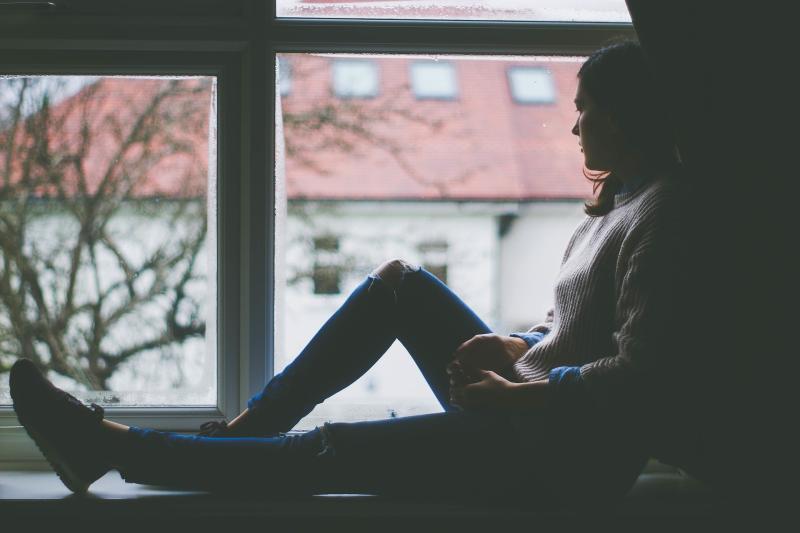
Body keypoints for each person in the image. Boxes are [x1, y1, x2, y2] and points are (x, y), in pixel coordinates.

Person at [9, 39, 684, 510]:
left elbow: (642, 378)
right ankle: (238, 438)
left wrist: (515, 396)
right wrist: (511, 346)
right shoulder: (614, 206)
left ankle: (107, 446)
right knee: (398, 282)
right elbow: (570, 324)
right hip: (526, 416)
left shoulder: (665, 213)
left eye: (586, 107)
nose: (573, 128)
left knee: (332, 450)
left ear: (625, 116)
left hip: (560, 463)